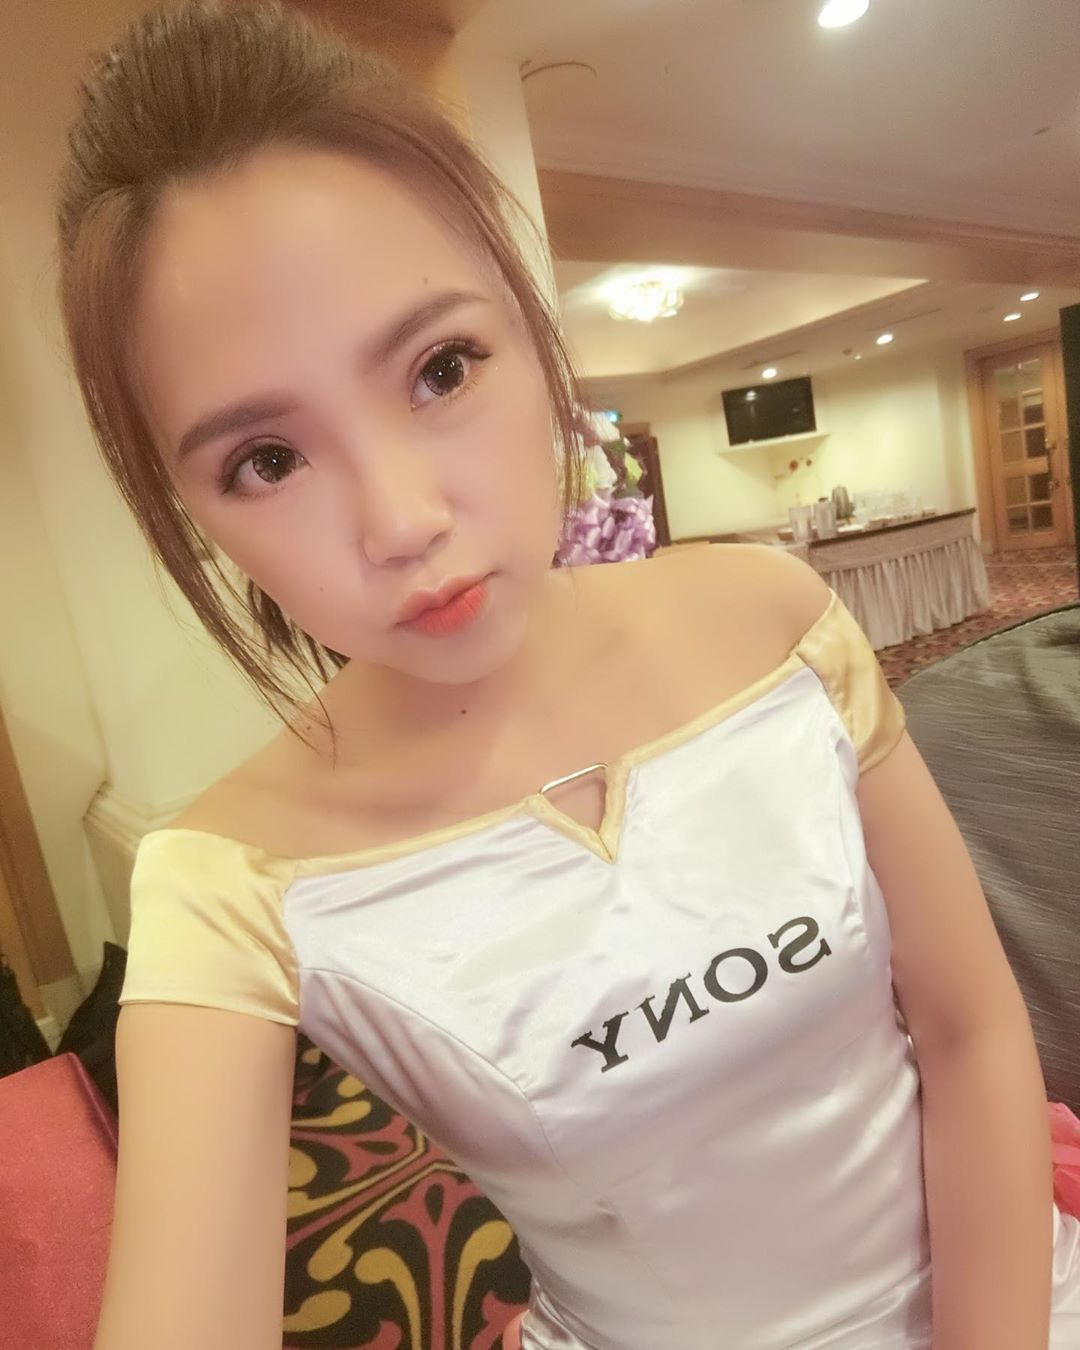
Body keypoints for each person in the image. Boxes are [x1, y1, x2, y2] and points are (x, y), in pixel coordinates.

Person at [55, 4, 1080, 1348]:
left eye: (441, 369)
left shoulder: (773, 614)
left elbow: (968, 1028)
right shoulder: (229, 884)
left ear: (528, 327)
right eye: (267, 460)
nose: (402, 520)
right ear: (193, 510)